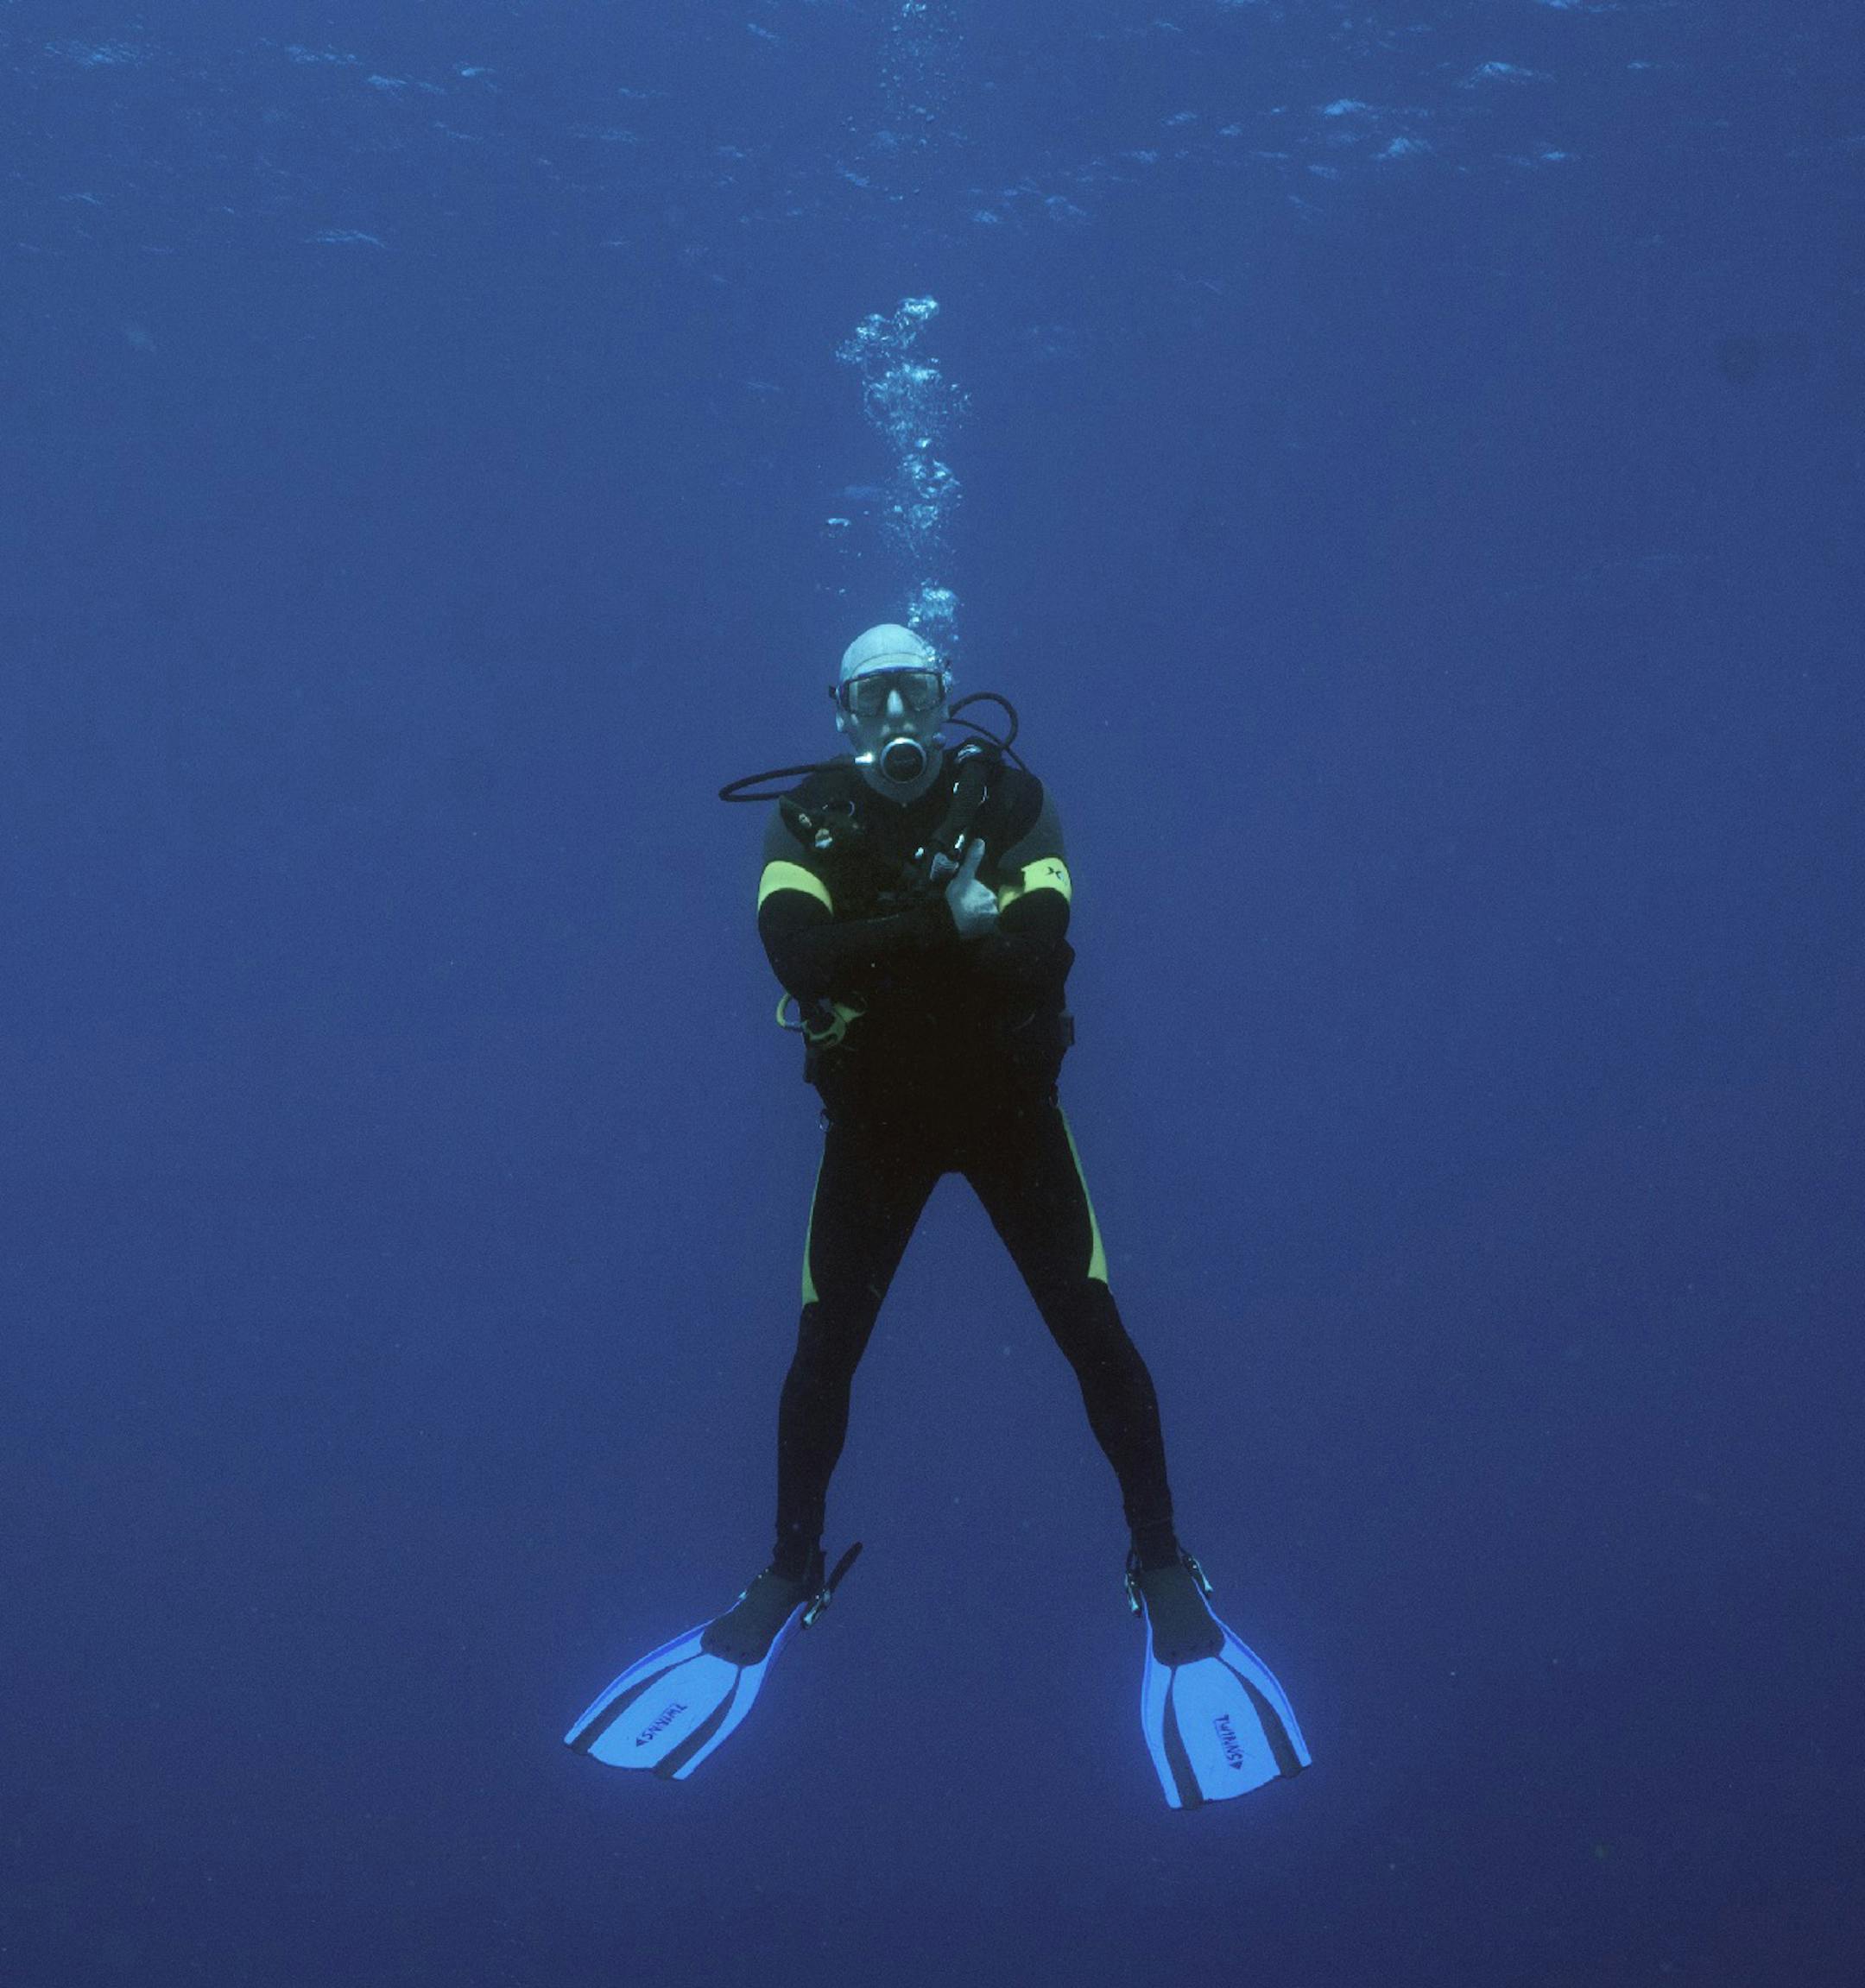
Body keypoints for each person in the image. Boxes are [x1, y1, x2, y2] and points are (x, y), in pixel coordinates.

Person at [566, 625, 1308, 1806]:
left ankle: (1163, 1561)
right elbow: (794, 953)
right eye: (872, 700)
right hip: (878, 1133)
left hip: (1008, 1114)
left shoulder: (1006, 792)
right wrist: (945, 922)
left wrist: (947, 938)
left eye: (913, 691)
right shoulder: (808, 820)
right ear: (842, 713)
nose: (894, 718)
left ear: (946, 696)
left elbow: (1043, 950)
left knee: (1092, 1328)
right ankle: (785, 1571)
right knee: (825, 1353)